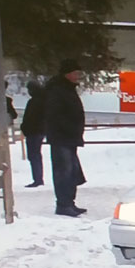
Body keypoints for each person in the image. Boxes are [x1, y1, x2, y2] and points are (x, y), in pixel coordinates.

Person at [45, 59, 87, 217]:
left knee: (72, 172)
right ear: (67, 74)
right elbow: (55, 115)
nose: (78, 76)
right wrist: (69, 129)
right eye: (76, 73)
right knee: (64, 171)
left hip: (69, 137)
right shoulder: (57, 90)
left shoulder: (67, 89)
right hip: (61, 137)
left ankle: (69, 202)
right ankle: (63, 204)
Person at [20, 81, 46, 187]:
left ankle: (37, 178)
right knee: (36, 155)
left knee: (33, 155)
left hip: (33, 131)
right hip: (39, 131)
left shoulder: (34, 102)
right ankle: (38, 178)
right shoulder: (44, 100)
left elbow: (29, 118)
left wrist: (24, 128)